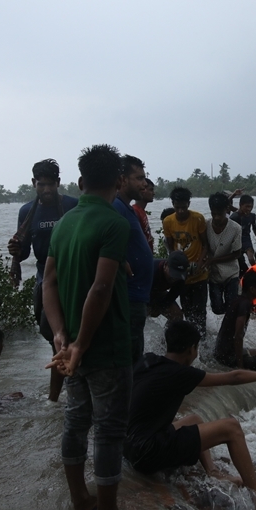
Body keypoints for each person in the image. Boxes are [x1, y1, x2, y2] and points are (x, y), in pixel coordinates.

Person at [44, 144, 157, 510]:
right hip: (105, 344)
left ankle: (80, 503)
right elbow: (101, 288)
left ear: (79, 181)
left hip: (71, 343)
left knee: (76, 420)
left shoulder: (64, 223)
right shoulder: (114, 223)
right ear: (118, 181)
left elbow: (49, 283)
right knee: (109, 429)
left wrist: (62, 337)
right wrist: (84, 342)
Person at [125, 320, 256, 510]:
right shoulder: (180, 373)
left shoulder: (148, 360)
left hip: (131, 446)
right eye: (196, 348)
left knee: (194, 419)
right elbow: (234, 378)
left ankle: (213, 472)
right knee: (231, 428)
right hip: (148, 452)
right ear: (191, 349)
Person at [7, 158, 79, 402]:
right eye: (41, 185)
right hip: (45, 281)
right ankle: (55, 400)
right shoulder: (27, 212)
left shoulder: (72, 206)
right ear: (33, 183)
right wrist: (16, 250)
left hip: (74, 279)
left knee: (78, 338)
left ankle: (75, 392)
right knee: (56, 343)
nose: (46, 190)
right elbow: (25, 252)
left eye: (50, 185)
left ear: (58, 183)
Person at [113, 155, 154, 364]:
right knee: (129, 358)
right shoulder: (117, 207)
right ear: (123, 179)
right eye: (139, 178)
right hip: (128, 296)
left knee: (135, 352)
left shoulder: (126, 207)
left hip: (137, 295)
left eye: (144, 178)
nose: (144, 183)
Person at [162, 187, 209, 339]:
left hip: (200, 275)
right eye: (177, 207)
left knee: (200, 311)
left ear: (188, 204)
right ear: (173, 204)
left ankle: (202, 341)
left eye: (184, 207)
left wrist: (200, 263)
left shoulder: (198, 219)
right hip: (182, 275)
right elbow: (170, 246)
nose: (181, 211)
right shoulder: (168, 221)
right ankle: (190, 339)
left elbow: (205, 244)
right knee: (187, 310)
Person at [205, 192, 243, 315]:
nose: (216, 217)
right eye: (213, 213)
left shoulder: (235, 228)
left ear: (227, 210)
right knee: (216, 309)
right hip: (214, 275)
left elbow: (237, 253)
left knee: (231, 307)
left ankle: (229, 329)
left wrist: (213, 260)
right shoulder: (206, 225)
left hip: (231, 273)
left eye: (219, 214)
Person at [230, 194, 256, 274]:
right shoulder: (234, 217)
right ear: (240, 205)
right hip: (236, 240)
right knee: (239, 261)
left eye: (251, 207)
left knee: (251, 259)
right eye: (247, 206)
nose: (249, 209)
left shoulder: (252, 216)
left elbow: (254, 228)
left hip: (246, 238)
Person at [148, 251, 189, 321]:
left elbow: (170, 297)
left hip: (159, 292)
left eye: (177, 276)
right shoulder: (151, 270)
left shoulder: (181, 278)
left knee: (177, 316)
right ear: (165, 265)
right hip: (141, 291)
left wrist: (160, 308)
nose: (175, 279)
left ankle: (169, 331)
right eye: (173, 274)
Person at [132, 178, 155, 252]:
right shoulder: (135, 212)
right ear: (143, 191)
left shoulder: (141, 211)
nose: (153, 193)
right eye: (151, 190)